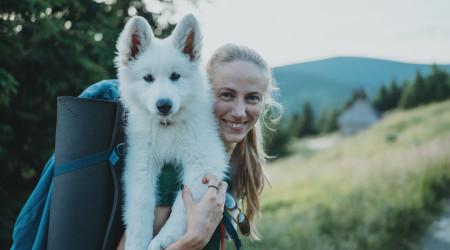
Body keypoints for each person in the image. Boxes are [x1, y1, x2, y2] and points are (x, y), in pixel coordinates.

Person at [117, 43, 282, 249]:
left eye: (252, 98)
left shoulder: (234, 161)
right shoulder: (172, 175)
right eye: (226, 95)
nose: (240, 112)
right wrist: (191, 240)